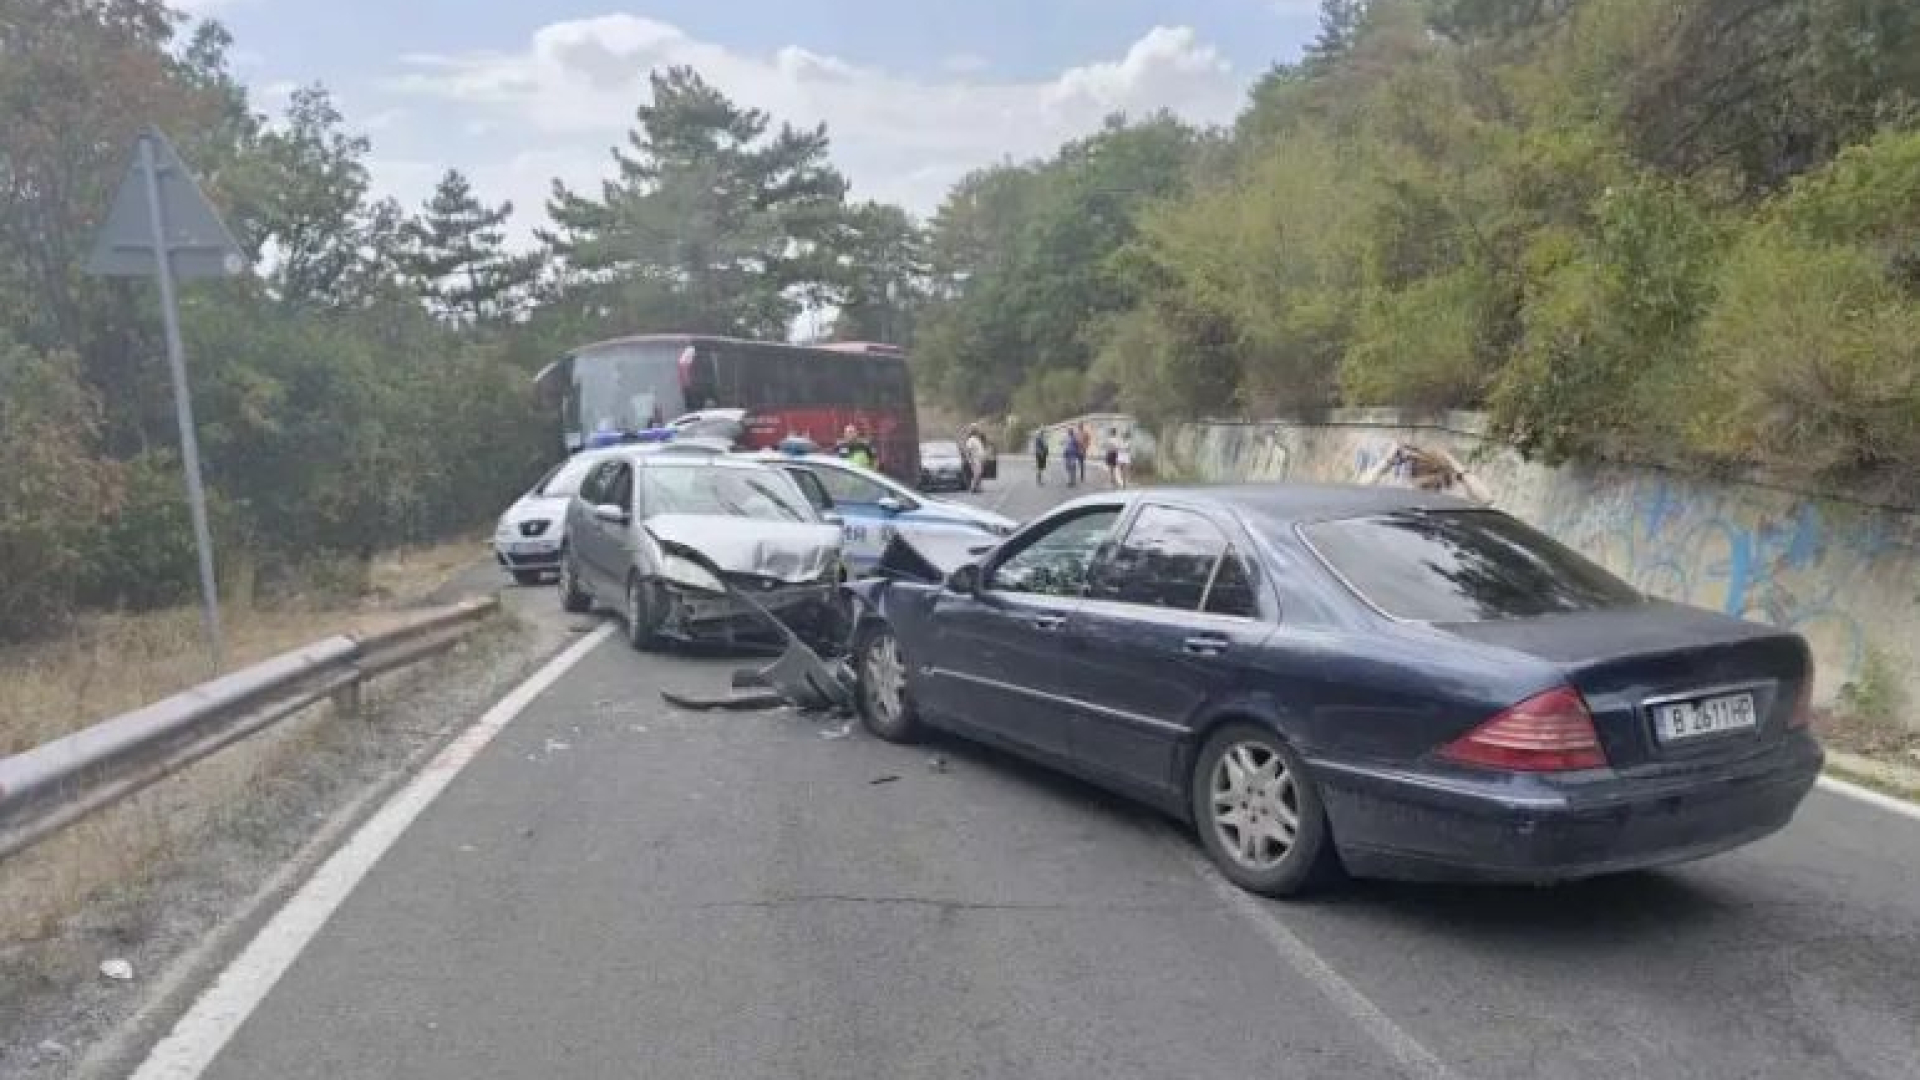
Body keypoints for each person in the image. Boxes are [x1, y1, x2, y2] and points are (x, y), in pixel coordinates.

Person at [963, 425, 988, 493]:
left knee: (979, 473)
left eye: (977, 429)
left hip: (980, 459)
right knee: (977, 473)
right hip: (975, 459)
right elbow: (968, 450)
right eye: (976, 430)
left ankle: (978, 488)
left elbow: (982, 447)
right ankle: (972, 488)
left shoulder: (977, 439)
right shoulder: (970, 440)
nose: (977, 431)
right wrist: (970, 460)